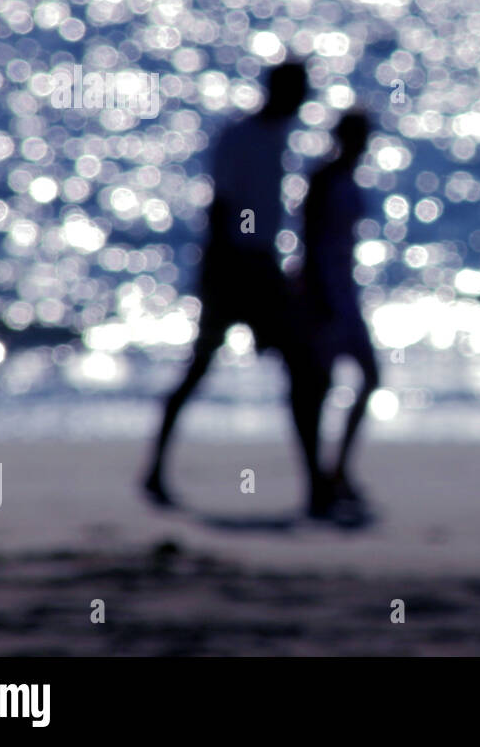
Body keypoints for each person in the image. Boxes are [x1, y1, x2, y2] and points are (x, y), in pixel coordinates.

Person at [144, 62, 331, 516]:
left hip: (263, 264)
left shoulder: (276, 137)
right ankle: (154, 469)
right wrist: (217, 270)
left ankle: (315, 482)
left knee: (304, 369)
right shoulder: (241, 137)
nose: (303, 101)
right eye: (299, 92)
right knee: (205, 366)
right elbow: (221, 205)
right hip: (236, 266)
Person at [301, 109, 379, 525]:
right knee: (321, 386)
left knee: (366, 378)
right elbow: (308, 241)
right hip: (325, 296)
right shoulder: (325, 179)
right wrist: (317, 295)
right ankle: (321, 479)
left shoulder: (346, 180)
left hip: (346, 294)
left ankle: (338, 469)